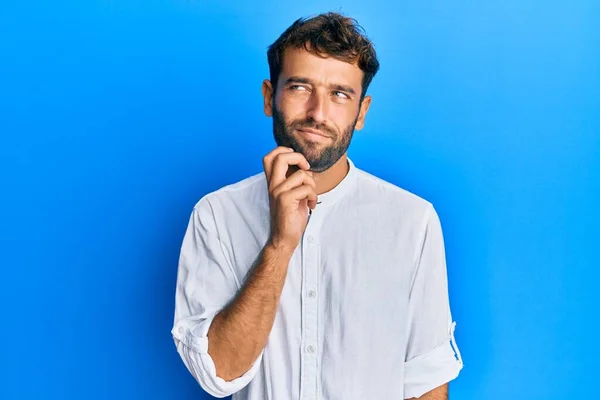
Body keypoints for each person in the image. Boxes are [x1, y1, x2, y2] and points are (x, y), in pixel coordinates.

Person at [171, 11, 463, 400]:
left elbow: (425, 384)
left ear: (361, 112)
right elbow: (219, 373)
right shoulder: (216, 215)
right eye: (299, 87)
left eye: (340, 94)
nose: (317, 114)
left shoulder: (412, 221)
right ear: (268, 97)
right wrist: (280, 243)